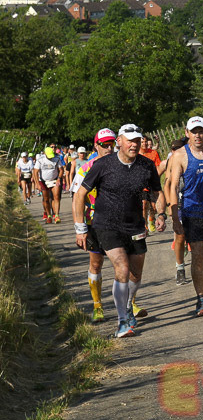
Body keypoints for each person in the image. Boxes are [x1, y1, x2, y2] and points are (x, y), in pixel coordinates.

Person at [73, 124, 165, 338]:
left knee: (136, 273)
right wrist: (80, 229)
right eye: (130, 140)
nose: (134, 144)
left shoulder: (147, 165)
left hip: (134, 225)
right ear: (119, 142)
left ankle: (130, 304)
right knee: (122, 268)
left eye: (138, 140)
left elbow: (156, 192)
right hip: (106, 225)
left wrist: (161, 214)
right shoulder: (102, 165)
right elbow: (79, 195)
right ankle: (122, 321)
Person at [165, 117, 203, 315]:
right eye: (194, 131)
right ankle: (200, 299)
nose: (198, 135)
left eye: (201, 131)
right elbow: (173, 186)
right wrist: (175, 217)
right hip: (192, 211)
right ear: (187, 133)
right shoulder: (180, 155)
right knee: (197, 256)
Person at [70, 129, 117, 322]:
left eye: (111, 144)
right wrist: (80, 228)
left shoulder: (122, 164)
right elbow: (76, 199)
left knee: (123, 264)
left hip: (119, 222)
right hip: (94, 223)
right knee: (96, 264)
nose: (108, 148)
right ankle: (97, 305)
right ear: (96, 145)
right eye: (104, 144)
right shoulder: (86, 167)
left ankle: (129, 303)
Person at [162, 137, 190, 285]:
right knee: (180, 236)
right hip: (179, 202)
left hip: (198, 203)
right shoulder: (173, 159)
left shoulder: (200, 155)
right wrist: (170, 205)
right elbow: (167, 184)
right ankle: (180, 269)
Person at [34, 146, 63, 223]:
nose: (50, 158)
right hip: (43, 181)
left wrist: (59, 179)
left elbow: (61, 170)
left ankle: (56, 215)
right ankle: (48, 215)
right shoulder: (40, 160)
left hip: (54, 180)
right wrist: (37, 184)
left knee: (56, 197)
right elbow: (35, 172)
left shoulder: (56, 159)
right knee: (46, 199)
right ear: (45, 154)